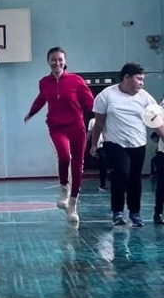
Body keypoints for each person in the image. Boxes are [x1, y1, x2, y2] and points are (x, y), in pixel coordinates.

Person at [24, 47, 94, 222]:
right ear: (48, 61)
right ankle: (64, 188)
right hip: (56, 126)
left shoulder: (76, 80)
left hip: (76, 126)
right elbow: (41, 98)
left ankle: (73, 205)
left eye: (60, 59)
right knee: (64, 156)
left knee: (77, 166)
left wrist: (101, 114)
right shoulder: (44, 82)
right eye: (53, 59)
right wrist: (32, 112)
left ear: (65, 61)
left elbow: (90, 102)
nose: (57, 63)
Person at [90, 63, 164, 227]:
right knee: (121, 174)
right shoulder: (106, 96)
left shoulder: (145, 98)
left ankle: (134, 212)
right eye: (138, 79)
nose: (141, 83)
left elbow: (156, 123)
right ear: (126, 78)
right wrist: (94, 144)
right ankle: (117, 212)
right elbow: (99, 123)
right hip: (114, 143)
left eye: (143, 79)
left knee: (135, 178)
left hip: (138, 144)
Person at [87, 117, 109, 191]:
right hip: (100, 146)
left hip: (110, 144)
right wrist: (87, 146)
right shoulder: (92, 121)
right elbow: (89, 134)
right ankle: (102, 185)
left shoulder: (109, 120)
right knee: (103, 164)